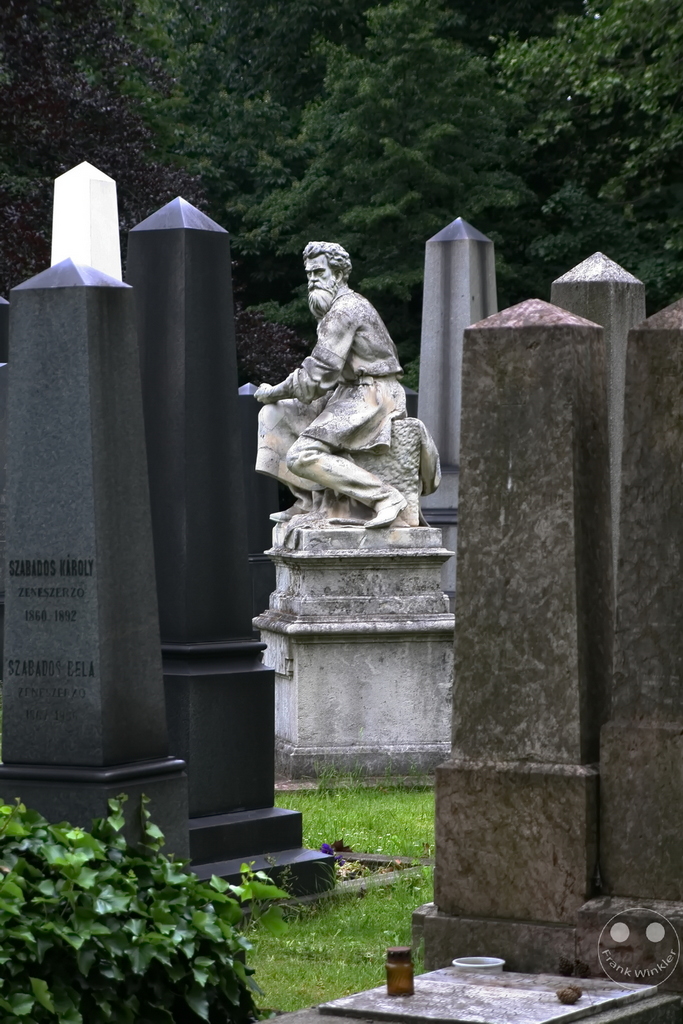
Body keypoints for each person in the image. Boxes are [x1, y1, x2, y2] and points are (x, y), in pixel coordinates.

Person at [255, 241, 414, 528]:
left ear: (338, 275)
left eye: (319, 272)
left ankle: (385, 497)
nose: (312, 280)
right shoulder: (332, 311)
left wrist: (274, 390)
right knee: (273, 415)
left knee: (302, 456)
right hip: (345, 393)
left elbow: (318, 373)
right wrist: (277, 399)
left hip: (373, 395)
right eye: (309, 275)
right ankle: (307, 500)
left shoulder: (346, 310)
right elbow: (326, 377)